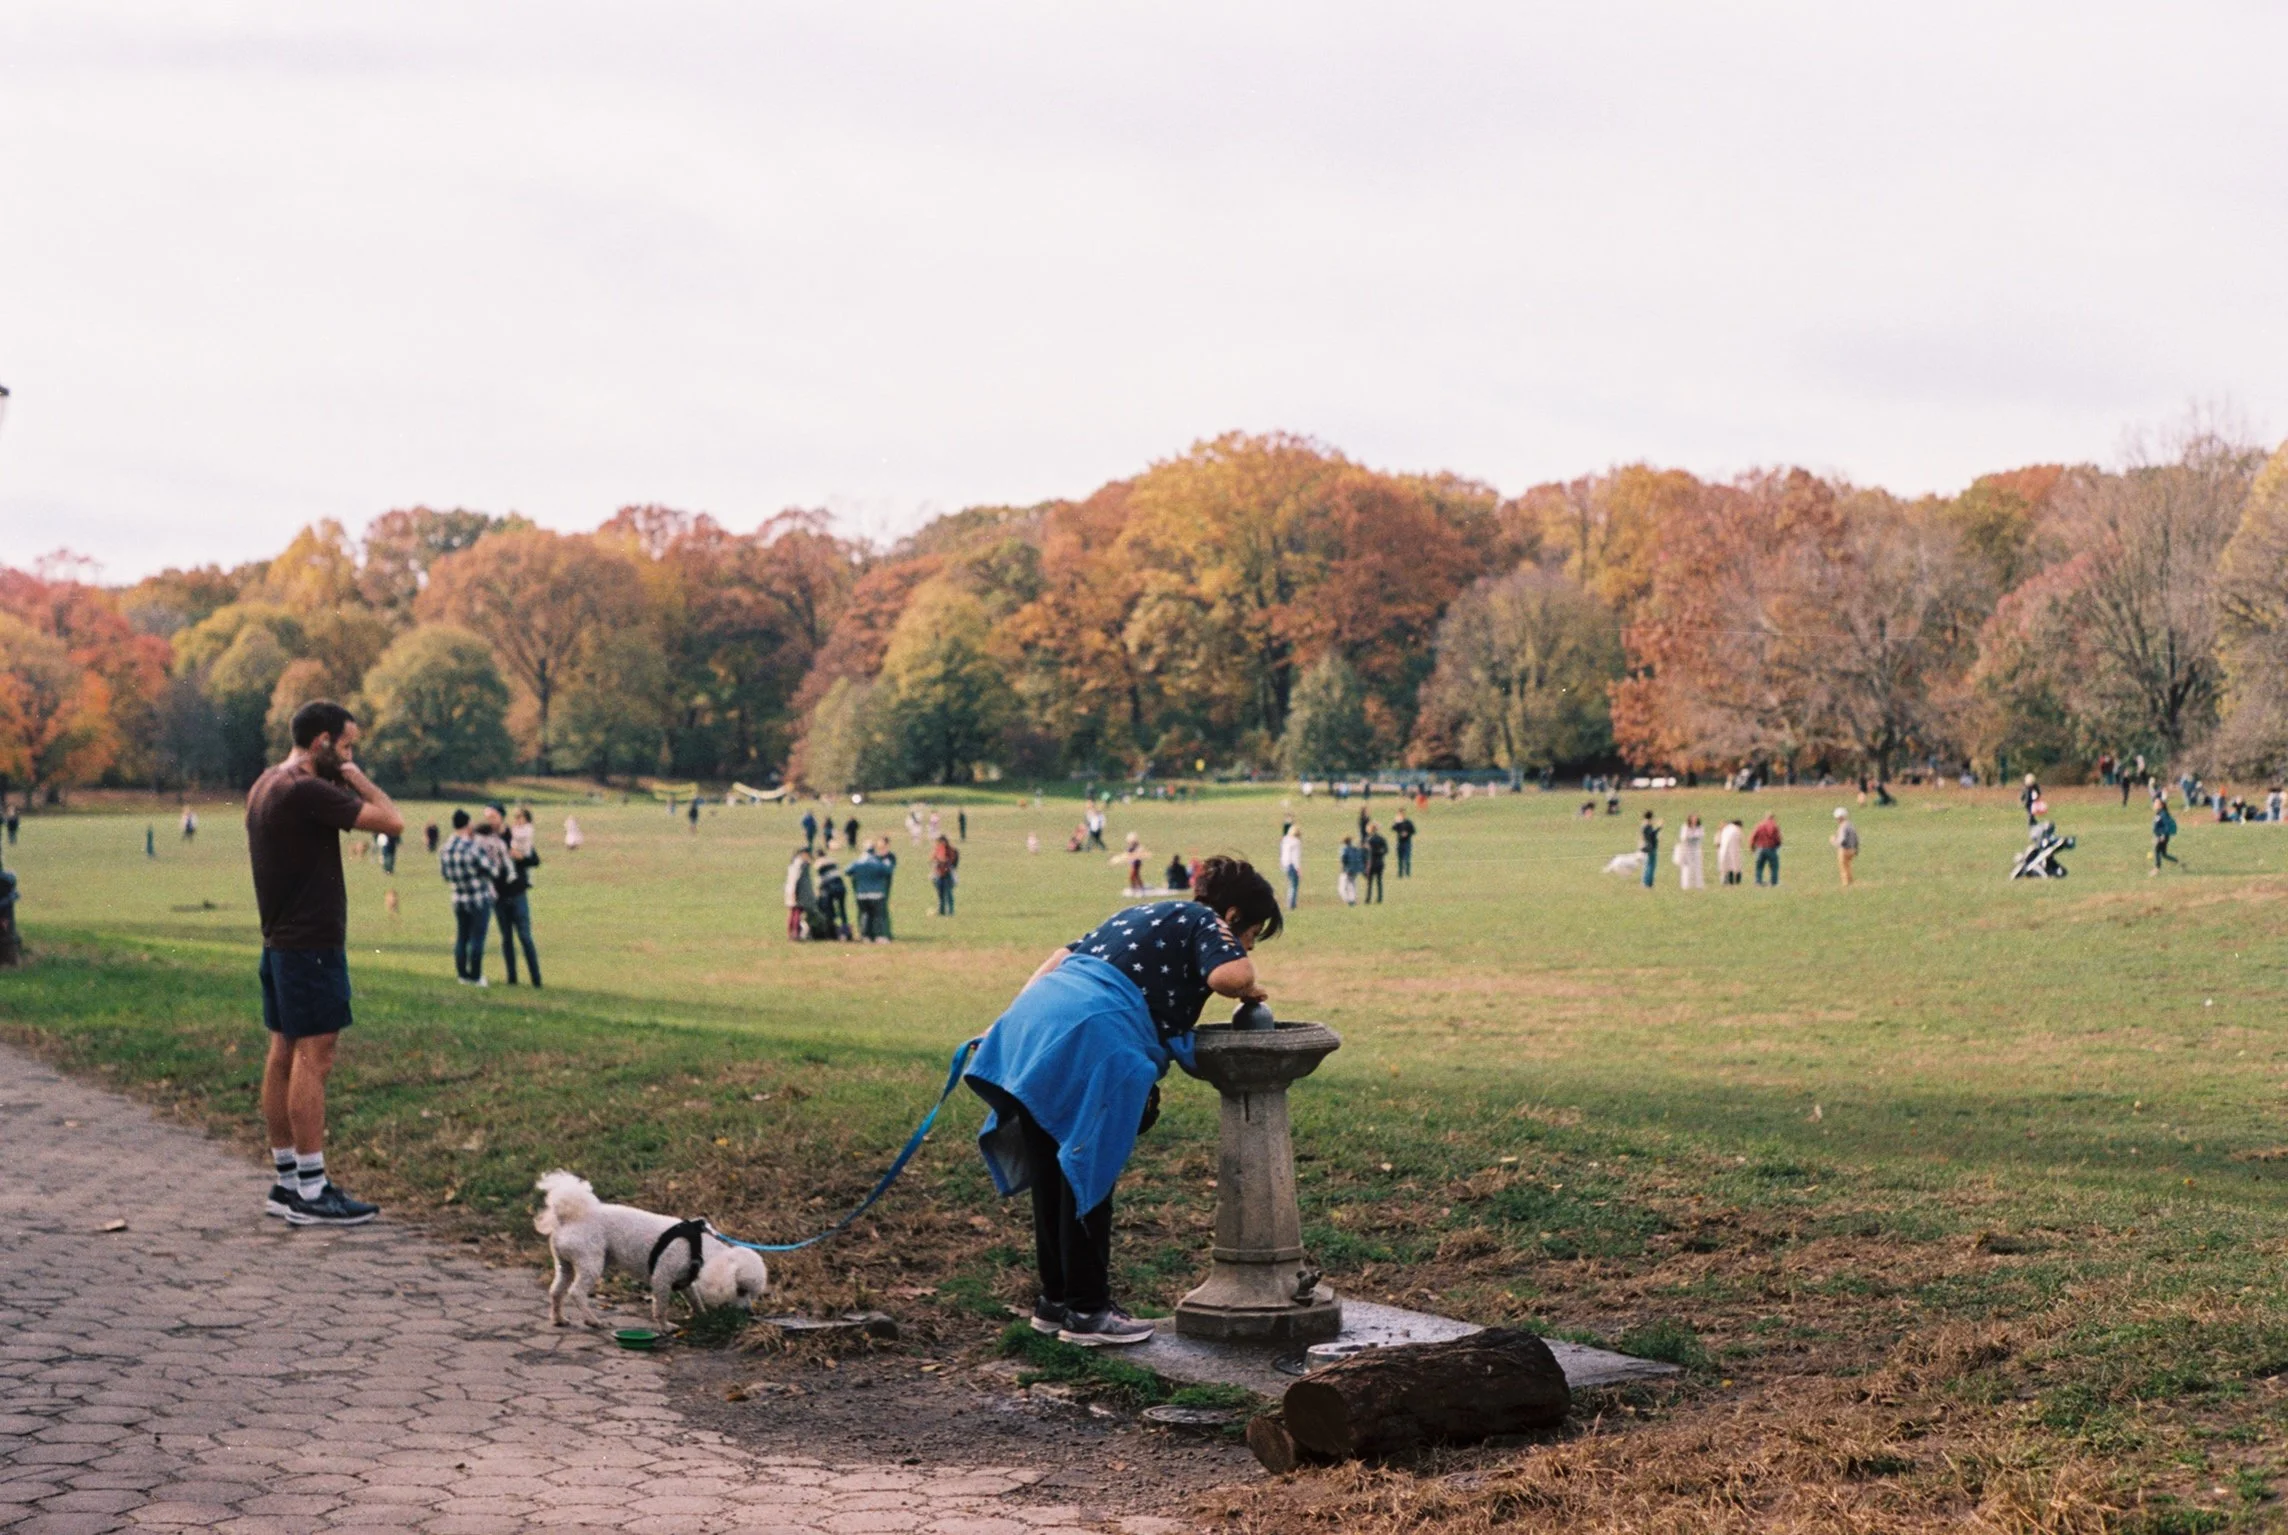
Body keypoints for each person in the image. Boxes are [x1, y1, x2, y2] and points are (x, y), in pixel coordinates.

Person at [964, 856, 1280, 1347]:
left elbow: (1056, 961)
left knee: (1051, 1172)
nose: (1250, 944)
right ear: (1234, 913)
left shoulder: (1138, 915)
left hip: (1036, 1028)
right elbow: (1229, 978)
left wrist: (1003, 1023)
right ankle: (1089, 1313)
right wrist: (1250, 985)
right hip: (1096, 1039)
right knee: (1088, 1171)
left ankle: (1055, 1302)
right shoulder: (1205, 921)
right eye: (1252, 933)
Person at [244, 699, 403, 1227]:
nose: (351, 754)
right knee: (315, 1057)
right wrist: (355, 774)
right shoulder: (307, 788)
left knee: (283, 1052)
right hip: (311, 946)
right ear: (322, 743)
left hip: (280, 944)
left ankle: (288, 1182)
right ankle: (311, 1192)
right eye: (347, 745)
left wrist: (342, 768)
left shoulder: (268, 783)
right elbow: (393, 820)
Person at [439, 808, 508, 985]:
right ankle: (476, 976)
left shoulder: (446, 848)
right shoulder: (472, 847)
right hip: (478, 897)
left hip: (458, 898)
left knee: (462, 937)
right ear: (468, 824)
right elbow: (492, 870)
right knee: (477, 938)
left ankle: (462, 975)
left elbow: (446, 875)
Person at [483, 804, 543, 986]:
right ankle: (512, 979)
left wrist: (522, 858)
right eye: (487, 818)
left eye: (492, 817)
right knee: (506, 939)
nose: (489, 821)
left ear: (501, 817)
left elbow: (535, 860)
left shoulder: (516, 835)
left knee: (525, 937)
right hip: (498, 896)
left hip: (517, 893)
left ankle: (536, 979)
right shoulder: (486, 839)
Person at [848, 837, 896, 941]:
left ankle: (865, 935)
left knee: (864, 915)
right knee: (879, 915)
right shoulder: (878, 862)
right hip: (876, 893)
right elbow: (887, 871)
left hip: (861, 894)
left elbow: (848, 870)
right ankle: (880, 936)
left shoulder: (858, 862)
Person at [812, 851, 851, 940]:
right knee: (842, 910)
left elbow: (820, 880)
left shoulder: (819, 863)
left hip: (830, 889)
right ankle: (845, 932)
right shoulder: (832, 861)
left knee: (829, 911)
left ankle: (830, 932)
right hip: (841, 888)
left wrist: (817, 892)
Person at [785, 848, 814, 940]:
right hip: (797, 892)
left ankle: (791, 933)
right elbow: (795, 879)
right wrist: (794, 892)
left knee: (793, 913)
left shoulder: (794, 864)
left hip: (792, 891)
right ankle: (795, 934)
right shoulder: (800, 864)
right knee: (796, 913)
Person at [1750, 813, 1782, 886]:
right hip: (1771, 849)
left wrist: (1752, 847)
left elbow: (1753, 837)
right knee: (1774, 866)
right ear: (1773, 818)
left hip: (1760, 849)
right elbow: (1777, 839)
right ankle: (1774, 882)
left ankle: (1758, 881)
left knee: (1759, 866)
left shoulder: (1759, 825)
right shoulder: (1774, 826)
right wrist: (1777, 845)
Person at [932, 835, 960, 916]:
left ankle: (951, 911)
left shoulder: (951, 851)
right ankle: (941, 911)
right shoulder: (938, 849)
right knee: (940, 894)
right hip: (939, 874)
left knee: (948, 894)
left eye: (940, 843)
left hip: (948, 875)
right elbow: (933, 859)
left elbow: (949, 861)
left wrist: (941, 860)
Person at [2152, 795, 2180, 875]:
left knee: (2157, 850)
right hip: (2160, 836)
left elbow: (2167, 826)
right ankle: (2179, 862)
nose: (2154, 804)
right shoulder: (2158, 813)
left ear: (2161, 805)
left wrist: (2163, 836)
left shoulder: (2163, 814)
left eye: (2156, 803)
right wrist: (2156, 836)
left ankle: (2156, 869)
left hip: (2163, 836)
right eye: (2154, 802)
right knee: (2164, 854)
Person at [1675, 813, 1705, 889]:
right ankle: (1686, 885)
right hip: (1687, 850)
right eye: (1693, 819)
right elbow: (1683, 838)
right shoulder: (1685, 827)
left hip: (1696, 849)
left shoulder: (1700, 827)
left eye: (1696, 819)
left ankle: (1699, 885)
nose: (1694, 820)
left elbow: (1701, 836)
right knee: (1687, 868)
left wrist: (1695, 836)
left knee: (1697, 867)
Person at [1831, 808, 1859, 887]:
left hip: (1844, 850)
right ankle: (1850, 881)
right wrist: (1856, 849)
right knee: (1848, 866)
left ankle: (1846, 883)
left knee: (1843, 867)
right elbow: (1856, 838)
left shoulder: (1843, 826)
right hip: (1852, 849)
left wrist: (1834, 841)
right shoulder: (1850, 825)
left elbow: (1842, 840)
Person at [1278, 823, 1302, 910]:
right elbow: (1295, 857)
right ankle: (1291, 904)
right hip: (1292, 865)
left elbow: (1282, 853)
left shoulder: (1285, 840)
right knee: (1294, 885)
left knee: (1290, 884)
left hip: (1285, 864)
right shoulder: (1296, 842)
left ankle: (1290, 903)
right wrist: (1298, 868)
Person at [1363, 822, 1388, 904]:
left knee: (1369, 882)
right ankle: (1379, 898)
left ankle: (1368, 899)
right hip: (1380, 862)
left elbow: (1366, 852)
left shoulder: (1368, 840)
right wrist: (1380, 852)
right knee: (1379, 881)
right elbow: (1386, 850)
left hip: (1371, 863)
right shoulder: (1382, 839)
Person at [1716, 818, 1745, 885]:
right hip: (1734, 851)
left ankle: (1726, 882)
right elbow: (1740, 840)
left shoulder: (1726, 829)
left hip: (1723, 851)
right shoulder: (1736, 829)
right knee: (1735, 866)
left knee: (1726, 867)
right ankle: (1735, 882)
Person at [1638, 810, 1662, 889]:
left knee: (1649, 865)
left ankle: (1647, 883)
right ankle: (1647, 883)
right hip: (1651, 847)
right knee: (1651, 865)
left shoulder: (1645, 825)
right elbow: (1651, 835)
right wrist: (1659, 828)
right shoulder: (1647, 825)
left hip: (1649, 847)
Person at [1337, 835, 1363, 905]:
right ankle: (1353, 899)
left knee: (1341, 888)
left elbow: (1343, 859)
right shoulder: (1355, 849)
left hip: (1346, 870)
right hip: (1354, 870)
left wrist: (1343, 868)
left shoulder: (1344, 849)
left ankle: (1348, 900)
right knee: (1352, 885)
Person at [1391, 810, 1415, 878]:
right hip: (1399, 842)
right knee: (1400, 859)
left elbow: (1413, 831)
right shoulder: (1398, 823)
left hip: (1407, 842)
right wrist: (1395, 821)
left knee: (1407, 859)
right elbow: (1393, 828)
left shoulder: (1408, 822)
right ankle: (1400, 874)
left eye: (1402, 814)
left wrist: (1407, 833)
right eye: (1400, 814)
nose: (1401, 815)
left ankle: (1407, 873)